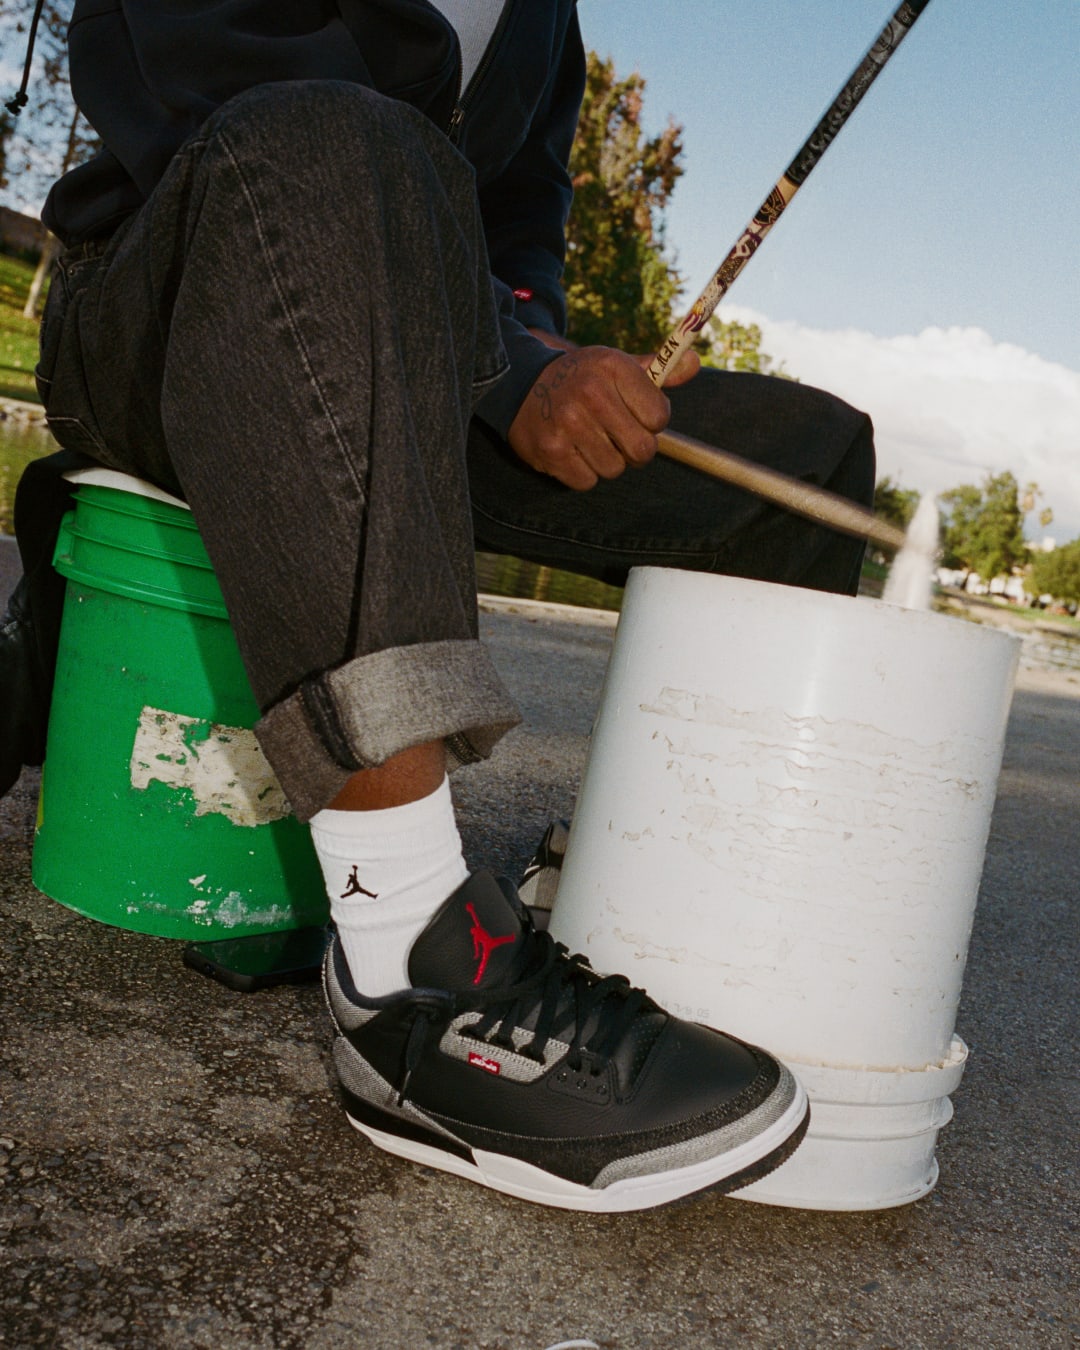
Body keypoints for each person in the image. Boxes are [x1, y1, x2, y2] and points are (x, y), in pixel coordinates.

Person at [2, 0, 876, 1212]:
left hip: (428, 366)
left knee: (810, 459)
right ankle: (408, 960)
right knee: (347, 144)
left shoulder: (543, 21)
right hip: (180, 293)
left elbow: (518, 227)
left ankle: (653, 884)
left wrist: (545, 356)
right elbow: (195, 86)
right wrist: (514, 374)